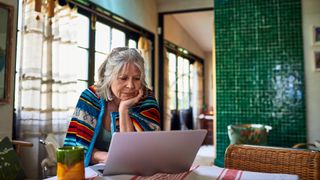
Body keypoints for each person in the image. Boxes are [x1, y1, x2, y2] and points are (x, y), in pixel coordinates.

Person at [64, 47, 161, 167]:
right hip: (92, 169)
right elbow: (77, 148)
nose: (131, 85)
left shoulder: (147, 101)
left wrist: (124, 109)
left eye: (136, 79)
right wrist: (109, 158)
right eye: (123, 78)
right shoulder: (90, 98)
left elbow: (137, 154)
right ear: (109, 78)